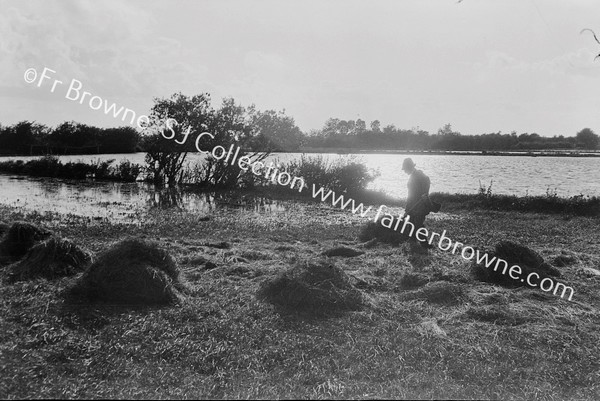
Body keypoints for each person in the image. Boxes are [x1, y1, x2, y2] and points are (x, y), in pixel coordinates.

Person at [401, 157, 431, 240]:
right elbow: (411, 195)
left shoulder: (419, 176)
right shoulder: (416, 175)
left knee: (417, 226)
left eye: (405, 169)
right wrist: (407, 209)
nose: (404, 171)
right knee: (413, 226)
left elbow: (415, 194)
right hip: (415, 206)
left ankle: (424, 246)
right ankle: (416, 245)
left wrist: (407, 209)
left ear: (409, 167)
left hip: (419, 206)